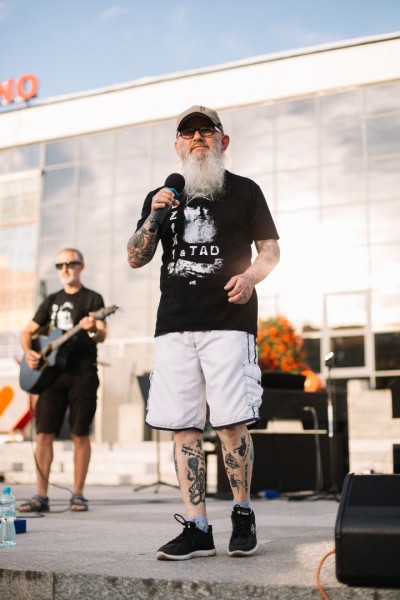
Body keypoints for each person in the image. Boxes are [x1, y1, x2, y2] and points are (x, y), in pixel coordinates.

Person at [127, 105, 280, 560]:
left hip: (229, 321)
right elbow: (135, 257)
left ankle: (242, 513)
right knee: (182, 429)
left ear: (222, 141)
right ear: (177, 144)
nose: (197, 137)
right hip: (174, 324)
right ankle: (196, 528)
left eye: (206, 130)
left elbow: (270, 250)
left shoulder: (245, 190)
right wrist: (153, 216)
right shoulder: (161, 195)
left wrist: (250, 277)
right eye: (188, 132)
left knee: (231, 424)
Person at [18, 248, 107, 513]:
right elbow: (28, 331)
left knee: (80, 433)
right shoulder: (52, 300)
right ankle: (40, 495)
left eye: (70, 263)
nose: (65, 269)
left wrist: (93, 328)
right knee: (44, 434)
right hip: (51, 376)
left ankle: (78, 494)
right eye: (59, 265)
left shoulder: (93, 299)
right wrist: (29, 352)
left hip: (83, 373)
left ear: (81, 266)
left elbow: (102, 334)